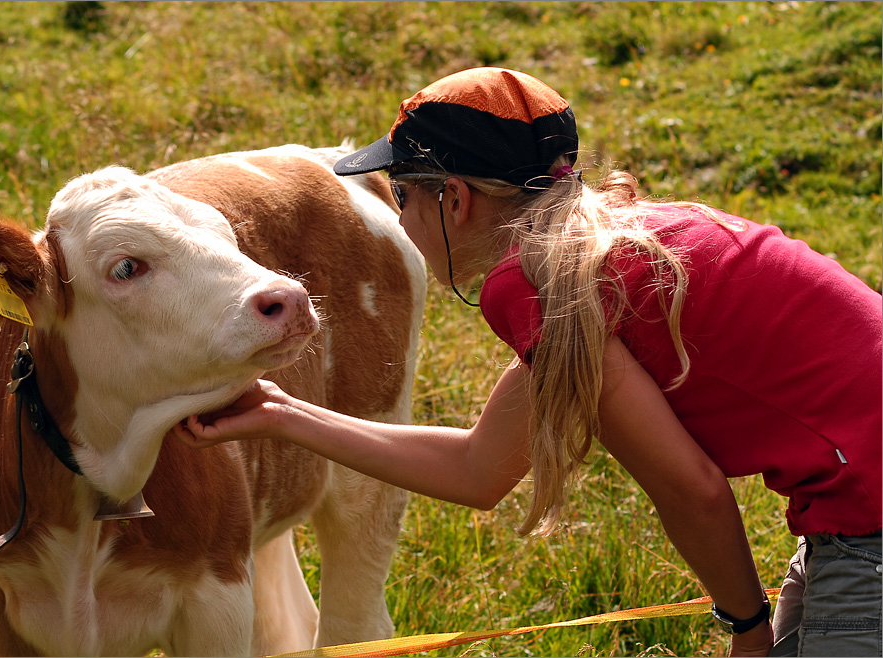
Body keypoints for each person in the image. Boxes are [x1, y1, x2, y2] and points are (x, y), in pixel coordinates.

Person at [167, 67, 882, 656]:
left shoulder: (535, 284)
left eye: (401, 195)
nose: (398, 215)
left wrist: (747, 630)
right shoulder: (595, 260)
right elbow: (480, 470)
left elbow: (689, 488)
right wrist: (281, 413)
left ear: (454, 200)